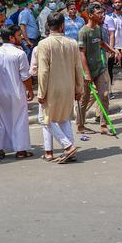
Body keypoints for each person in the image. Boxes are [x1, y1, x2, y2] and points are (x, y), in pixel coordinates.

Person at [35, 11, 84, 163]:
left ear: (48, 26)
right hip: (68, 87)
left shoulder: (44, 44)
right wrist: (79, 89)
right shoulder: (72, 43)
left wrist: (41, 92)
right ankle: (70, 150)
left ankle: (68, 146)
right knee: (64, 118)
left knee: (45, 119)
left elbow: (43, 71)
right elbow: (78, 68)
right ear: (63, 25)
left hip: (51, 88)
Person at [0, 25, 34, 159]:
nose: (21, 37)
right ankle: (21, 150)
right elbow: (25, 77)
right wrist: (30, 91)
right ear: (11, 37)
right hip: (16, 92)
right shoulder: (19, 53)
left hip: (0, 92)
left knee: (1, 120)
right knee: (19, 120)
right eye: (19, 35)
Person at [77, 3, 118, 136]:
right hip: (86, 70)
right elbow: (81, 53)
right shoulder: (83, 32)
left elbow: (101, 42)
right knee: (84, 99)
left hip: (99, 68)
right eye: (99, 13)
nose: (102, 15)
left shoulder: (99, 28)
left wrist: (112, 51)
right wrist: (87, 74)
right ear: (90, 15)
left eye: (102, 13)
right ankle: (80, 125)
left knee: (104, 95)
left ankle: (103, 125)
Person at [104, 0, 122, 89]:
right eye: (116, 2)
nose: (118, 4)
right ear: (112, 4)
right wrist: (111, 48)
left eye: (119, 2)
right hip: (111, 47)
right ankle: (109, 90)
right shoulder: (108, 17)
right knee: (109, 68)